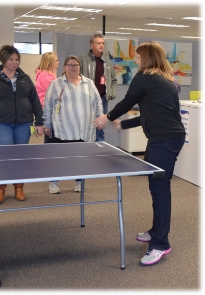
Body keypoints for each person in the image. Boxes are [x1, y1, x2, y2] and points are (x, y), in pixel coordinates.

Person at [94, 41, 185, 266]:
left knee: (160, 189)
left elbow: (127, 102)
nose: (135, 61)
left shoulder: (144, 77)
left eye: (137, 57)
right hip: (169, 138)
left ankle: (161, 244)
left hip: (164, 140)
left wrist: (108, 117)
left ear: (147, 58)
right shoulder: (167, 81)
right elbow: (151, 112)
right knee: (157, 188)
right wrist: (123, 125)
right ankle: (156, 232)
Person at [0, 45, 44, 204]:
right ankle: (0, 189)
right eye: (11, 59)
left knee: (20, 157)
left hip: (23, 123)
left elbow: (34, 101)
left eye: (17, 59)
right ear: (3, 60)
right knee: (4, 157)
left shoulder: (25, 79)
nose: (15, 62)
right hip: (1, 123)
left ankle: (19, 187)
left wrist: (39, 122)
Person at [43, 55, 103, 194]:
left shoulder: (89, 83)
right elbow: (48, 105)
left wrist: (100, 118)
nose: (73, 68)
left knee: (81, 160)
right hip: (63, 129)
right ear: (64, 67)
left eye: (75, 65)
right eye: (70, 65)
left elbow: (97, 102)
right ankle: (54, 182)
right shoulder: (56, 84)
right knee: (59, 159)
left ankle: (79, 182)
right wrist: (47, 124)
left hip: (85, 130)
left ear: (79, 67)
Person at [79, 33, 117, 141]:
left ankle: (100, 150)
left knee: (100, 126)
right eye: (98, 43)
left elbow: (114, 79)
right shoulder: (82, 60)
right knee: (86, 124)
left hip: (102, 99)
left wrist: (112, 93)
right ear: (92, 45)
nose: (101, 45)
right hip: (86, 99)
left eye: (103, 43)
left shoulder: (107, 62)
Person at [35, 52, 59, 143]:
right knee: (50, 135)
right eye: (56, 60)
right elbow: (54, 93)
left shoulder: (50, 75)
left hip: (50, 108)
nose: (58, 62)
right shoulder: (45, 76)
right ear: (51, 61)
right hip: (48, 108)